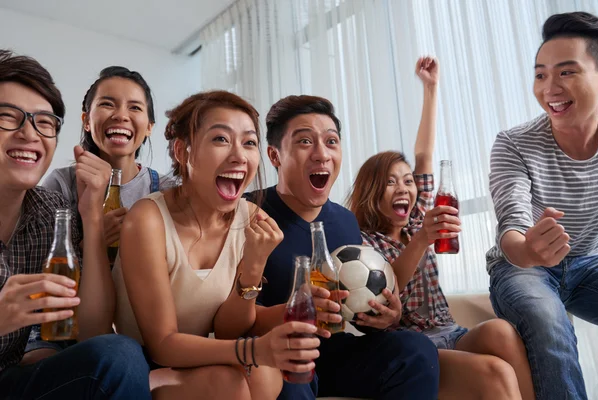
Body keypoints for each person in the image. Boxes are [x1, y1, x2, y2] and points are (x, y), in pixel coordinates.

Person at [113, 90, 320, 399]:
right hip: (143, 362)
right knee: (230, 383)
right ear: (184, 152)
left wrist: (254, 267)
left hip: (201, 356)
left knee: (264, 377)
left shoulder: (250, 218)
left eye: (249, 142)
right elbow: (163, 344)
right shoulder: (147, 220)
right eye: (221, 139)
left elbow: (228, 330)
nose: (239, 155)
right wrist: (253, 350)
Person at [349, 56, 534, 400]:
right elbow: (386, 286)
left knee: (502, 333)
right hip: (413, 346)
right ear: (373, 192)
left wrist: (431, 89)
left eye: (408, 181)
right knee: (495, 373)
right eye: (391, 182)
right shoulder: (363, 244)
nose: (404, 187)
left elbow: (424, 155)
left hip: (451, 329)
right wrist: (421, 239)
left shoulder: (416, 218)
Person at [246, 94, 440, 399]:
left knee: (415, 349)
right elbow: (228, 316)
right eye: (305, 142)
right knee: (291, 379)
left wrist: (379, 316)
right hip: (280, 353)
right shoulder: (248, 213)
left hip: (336, 353)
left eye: (331, 141)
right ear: (274, 156)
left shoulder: (345, 221)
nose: (322, 154)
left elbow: (351, 307)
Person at [0, 50, 150, 399]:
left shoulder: (51, 211)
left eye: (44, 122)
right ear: (88, 121)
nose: (29, 133)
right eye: (8, 117)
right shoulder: (60, 183)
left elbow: (93, 330)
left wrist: (92, 217)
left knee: (119, 354)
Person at [487, 11, 598, 400]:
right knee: (546, 320)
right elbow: (512, 224)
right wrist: (527, 248)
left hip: (589, 264)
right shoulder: (514, 143)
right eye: (540, 74)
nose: (550, 87)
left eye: (567, 72)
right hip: (523, 269)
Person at [43, 66, 176, 249]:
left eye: (135, 107)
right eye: (107, 104)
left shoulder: (167, 191)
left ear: (149, 127)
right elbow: (42, 265)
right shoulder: (61, 185)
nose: (121, 115)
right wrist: (93, 240)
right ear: (86, 121)